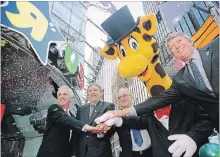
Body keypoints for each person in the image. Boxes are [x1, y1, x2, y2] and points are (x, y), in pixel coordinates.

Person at [112, 33, 219, 130]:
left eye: (179, 41)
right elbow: (159, 100)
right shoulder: (180, 79)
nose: (176, 46)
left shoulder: (216, 46)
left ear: (190, 41)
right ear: (173, 54)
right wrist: (122, 112)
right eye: (172, 47)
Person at [37, 86, 101, 157]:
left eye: (65, 94)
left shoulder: (72, 116)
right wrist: (88, 127)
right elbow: (65, 119)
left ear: (70, 98)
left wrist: (99, 127)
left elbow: (76, 135)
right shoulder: (54, 109)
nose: (62, 96)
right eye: (59, 95)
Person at [75, 83, 115, 157]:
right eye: (90, 91)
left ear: (101, 93)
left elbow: (110, 128)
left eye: (95, 90)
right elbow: (76, 130)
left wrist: (101, 130)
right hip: (82, 152)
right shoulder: (81, 109)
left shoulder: (108, 106)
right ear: (87, 94)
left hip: (101, 152)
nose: (92, 92)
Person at [115, 88, 152, 157]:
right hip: (130, 154)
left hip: (150, 152)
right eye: (119, 98)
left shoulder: (144, 111)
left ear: (131, 97)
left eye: (124, 95)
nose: (122, 99)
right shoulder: (116, 117)